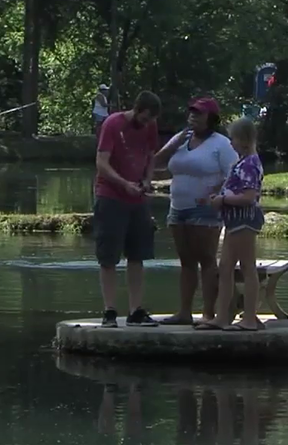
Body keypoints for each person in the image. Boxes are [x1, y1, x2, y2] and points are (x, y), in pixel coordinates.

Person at [154, 97, 238, 326]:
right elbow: (155, 164)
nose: (193, 116)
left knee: (207, 259)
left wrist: (215, 193)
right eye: (191, 112)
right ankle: (184, 312)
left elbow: (233, 174)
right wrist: (173, 144)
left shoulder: (221, 144)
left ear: (211, 118)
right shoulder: (181, 139)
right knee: (186, 261)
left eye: (199, 113)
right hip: (177, 208)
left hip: (205, 209)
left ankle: (208, 314)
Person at [94, 90, 162, 328]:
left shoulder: (150, 126)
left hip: (138, 199)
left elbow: (151, 155)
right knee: (108, 257)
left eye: (151, 120)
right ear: (137, 109)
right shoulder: (113, 124)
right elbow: (101, 163)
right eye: (144, 118)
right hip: (111, 196)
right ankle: (110, 311)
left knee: (137, 255)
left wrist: (147, 180)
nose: (147, 123)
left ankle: (135, 311)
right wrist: (124, 184)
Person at [197, 117, 264, 332]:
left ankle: (249, 319)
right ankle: (222, 317)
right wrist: (217, 197)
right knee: (225, 268)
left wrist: (223, 200)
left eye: (233, 138)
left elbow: (249, 197)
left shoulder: (250, 164)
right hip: (233, 222)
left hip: (244, 221)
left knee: (247, 267)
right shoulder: (242, 162)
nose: (231, 143)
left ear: (243, 139)